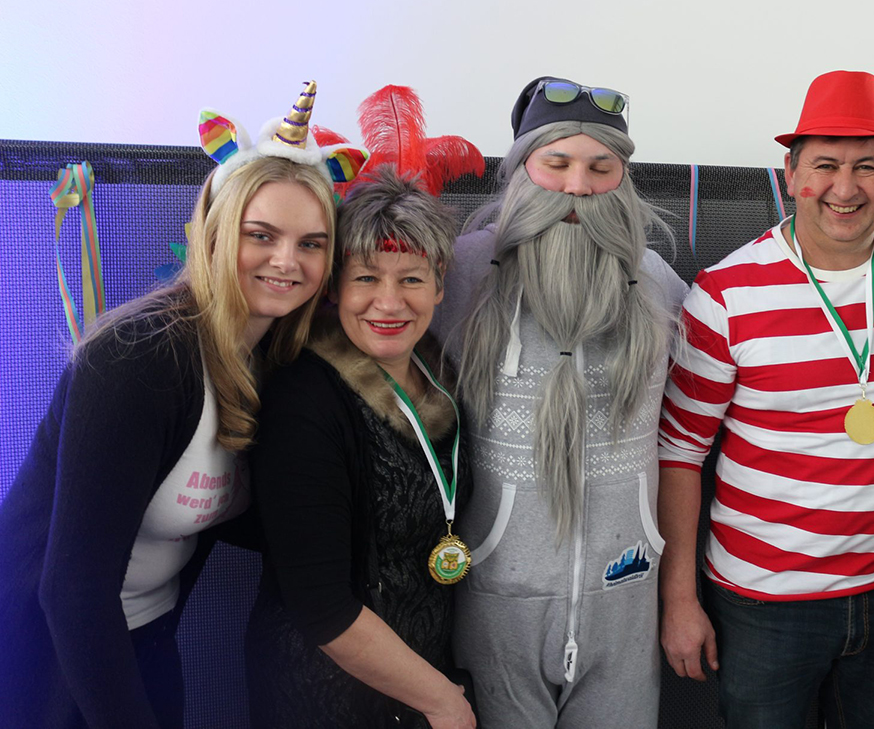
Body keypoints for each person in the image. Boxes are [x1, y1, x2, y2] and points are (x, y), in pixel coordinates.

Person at [0, 80, 365, 728]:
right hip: (47, 652)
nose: (288, 261)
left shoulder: (274, 364)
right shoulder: (136, 359)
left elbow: (244, 512)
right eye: (261, 235)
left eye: (311, 243)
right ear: (216, 234)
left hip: (150, 634)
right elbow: (73, 593)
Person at [658, 70, 874, 728]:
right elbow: (679, 453)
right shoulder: (725, 294)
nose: (846, 188)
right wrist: (679, 600)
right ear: (790, 176)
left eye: (867, 167)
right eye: (825, 166)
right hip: (765, 602)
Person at [432, 76, 688, 728]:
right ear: (522, 169)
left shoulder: (659, 286)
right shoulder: (459, 275)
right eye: (557, 163)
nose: (578, 187)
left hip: (626, 596)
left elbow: (687, 435)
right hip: (494, 598)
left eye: (600, 168)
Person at [245, 166, 475, 729]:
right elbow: (320, 604)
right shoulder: (304, 399)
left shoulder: (444, 377)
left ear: (439, 285)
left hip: (420, 680)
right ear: (334, 287)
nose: (389, 303)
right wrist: (444, 703)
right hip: (326, 693)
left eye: (412, 279)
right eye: (366, 277)